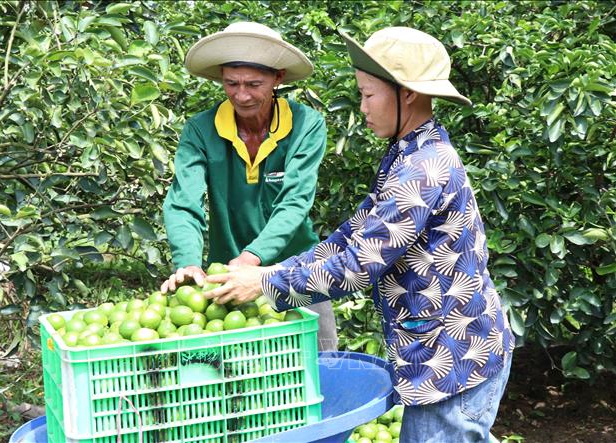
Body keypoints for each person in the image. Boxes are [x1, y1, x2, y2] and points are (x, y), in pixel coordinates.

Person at [204, 27, 515, 442]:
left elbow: (355, 268)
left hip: (454, 359)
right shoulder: (406, 152)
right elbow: (350, 237)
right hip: (444, 354)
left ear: (405, 93)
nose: (363, 107)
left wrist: (264, 283)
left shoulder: (423, 169)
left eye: (369, 95)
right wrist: (277, 269)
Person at [160, 22, 338, 351]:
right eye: (231, 83)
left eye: (254, 84)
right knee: (237, 377)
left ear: (278, 78)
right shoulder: (200, 131)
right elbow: (184, 203)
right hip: (226, 281)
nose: (241, 95)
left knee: (319, 365)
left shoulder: (305, 126)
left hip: (295, 272)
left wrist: (251, 260)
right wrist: (187, 262)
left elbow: (294, 203)